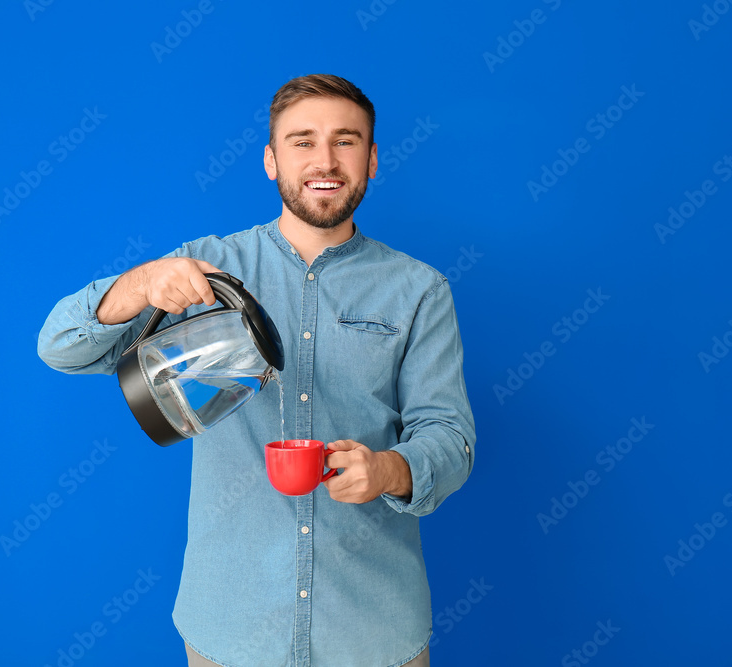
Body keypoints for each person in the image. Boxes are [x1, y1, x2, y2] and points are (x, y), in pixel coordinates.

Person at [38, 74, 476, 667]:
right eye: (302, 142)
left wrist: (390, 469)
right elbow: (61, 347)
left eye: (345, 141)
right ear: (271, 161)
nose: (324, 160)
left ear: (371, 159)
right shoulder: (205, 269)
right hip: (229, 627)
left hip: (374, 633)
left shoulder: (419, 290)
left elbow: (450, 439)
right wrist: (139, 284)